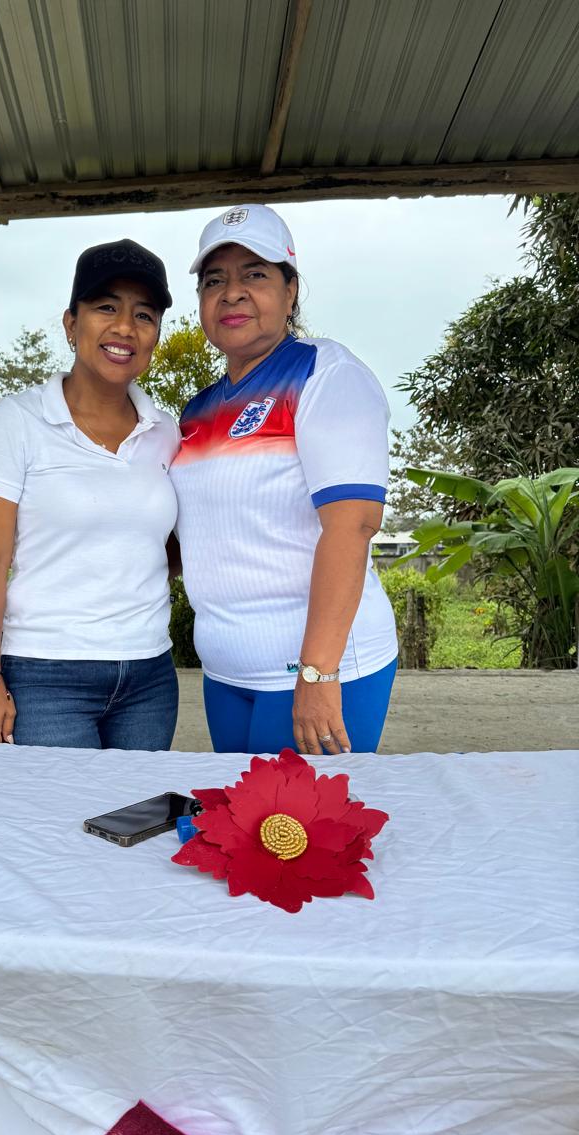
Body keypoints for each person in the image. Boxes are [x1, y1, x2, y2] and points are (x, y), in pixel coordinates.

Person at [171, 205, 398, 756]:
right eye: (214, 280)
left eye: (255, 274)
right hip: (227, 674)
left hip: (314, 672)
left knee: (299, 815)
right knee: (239, 811)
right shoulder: (198, 409)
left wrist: (318, 673)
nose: (232, 293)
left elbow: (352, 525)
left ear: (291, 290)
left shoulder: (326, 373)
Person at [0, 240, 180, 749]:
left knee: (138, 802)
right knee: (58, 804)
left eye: (144, 315)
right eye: (106, 307)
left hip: (149, 675)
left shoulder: (165, 431)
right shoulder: (17, 421)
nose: (125, 327)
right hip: (46, 675)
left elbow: (168, 546)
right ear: (70, 323)